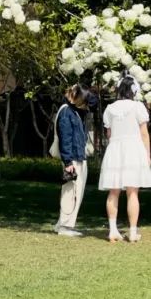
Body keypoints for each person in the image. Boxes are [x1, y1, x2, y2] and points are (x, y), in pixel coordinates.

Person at [99, 75, 151, 242]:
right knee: (132, 192)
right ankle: (132, 231)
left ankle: (113, 230)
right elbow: (144, 134)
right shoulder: (138, 107)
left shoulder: (110, 108)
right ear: (134, 90)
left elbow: (109, 134)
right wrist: (147, 155)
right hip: (133, 149)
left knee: (113, 191)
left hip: (115, 149)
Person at [54, 84, 92, 237]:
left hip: (77, 156)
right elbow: (65, 138)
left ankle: (62, 224)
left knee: (72, 191)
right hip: (73, 158)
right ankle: (65, 225)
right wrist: (68, 162)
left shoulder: (72, 111)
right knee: (71, 192)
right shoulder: (67, 112)